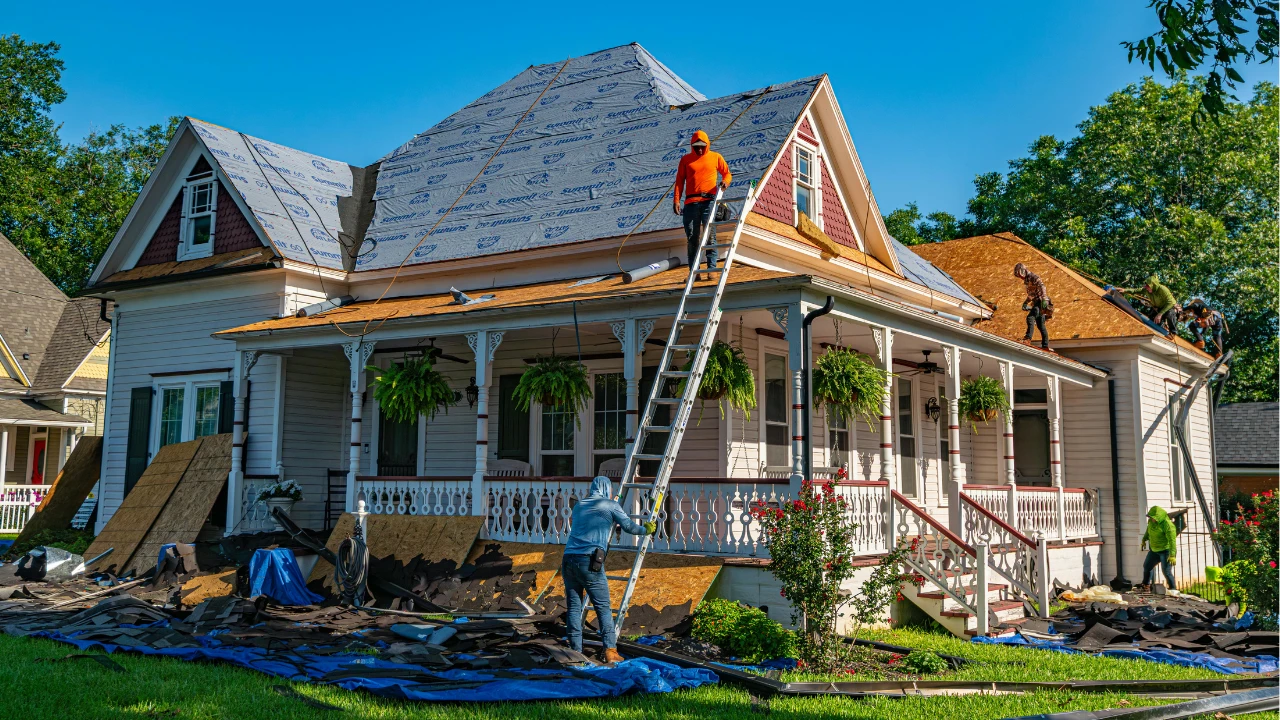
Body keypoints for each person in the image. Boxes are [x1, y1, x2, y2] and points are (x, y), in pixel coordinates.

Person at [561, 476, 656, 664]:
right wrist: (646, 529)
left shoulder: (579, 505)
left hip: (568, 559)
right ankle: (610, 651)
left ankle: (575, 652)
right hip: (589, 561)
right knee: (603, 607)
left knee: (574, 606)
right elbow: (628, 527)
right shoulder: (610, 505)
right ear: (606, 489)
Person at [673, 130, 732, 279]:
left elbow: (727, 173)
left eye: (702, 146)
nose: (699, 149)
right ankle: (694, 272)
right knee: (692, 237)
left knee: (709, 236)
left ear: (707, 145)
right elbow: (679, 181)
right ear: (692, 146)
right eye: (696, 146)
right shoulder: (686, 160)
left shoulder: (715, 157)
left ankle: (711, 268)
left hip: (708, 201)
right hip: (690, 203)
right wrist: (676, 200)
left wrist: (725, 183)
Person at [1013, 262, 1052, 349]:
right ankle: (1045, 346)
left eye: (1020, 274)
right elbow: (1031, 294)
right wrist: (1026, 302)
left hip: (1040, 301)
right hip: (1036, 302)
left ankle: (1028, 338)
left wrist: (1045, 299)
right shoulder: (1026, 281)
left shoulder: (1033, 277)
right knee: (1040, 324)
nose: (1020, 277)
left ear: (1023, 271)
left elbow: (1042, 287)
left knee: (1030, 318)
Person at [1139, 505, 1178, 590]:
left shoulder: (1168, 525)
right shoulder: (1151, 522)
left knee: (1166, 572)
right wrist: (1144, 540)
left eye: (1155, 518)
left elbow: (1172, 541)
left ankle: (1173, 589)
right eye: (1151, 517)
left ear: (1160, 517)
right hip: (1154, 550)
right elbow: (1148, 531)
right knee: (1147, 566)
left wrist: (1172, 555)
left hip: (1166, 550)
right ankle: (1146, 585)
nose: (1153, 519)